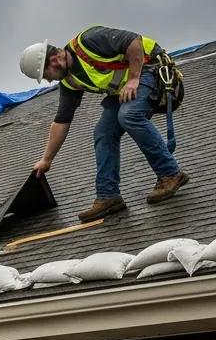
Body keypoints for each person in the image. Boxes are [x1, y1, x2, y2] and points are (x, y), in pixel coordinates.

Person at [20, 26, 189, 221]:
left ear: (54, 60)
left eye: (45, 74)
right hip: (126, 89)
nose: (48, 80)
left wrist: (134, 79)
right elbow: (62, 121)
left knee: (129, 115)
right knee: (103, 132)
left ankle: (170, 174)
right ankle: (108, 196)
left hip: (151, 69)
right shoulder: (70, 81)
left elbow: (134, 42)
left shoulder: (88, 41)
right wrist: (46, 160)